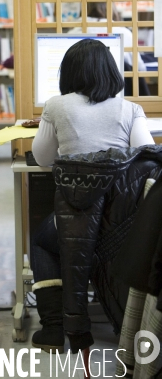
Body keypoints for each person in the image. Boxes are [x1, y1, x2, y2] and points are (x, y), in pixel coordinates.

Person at [30, 38, 154, 353]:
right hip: (121, 228)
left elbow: (43, 159)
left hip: (75, 226)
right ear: (112, 72)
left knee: (43, 240)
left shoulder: (56, 106)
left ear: (68, 74)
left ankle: (54, 328)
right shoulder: (131, 109)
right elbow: (147, 161)